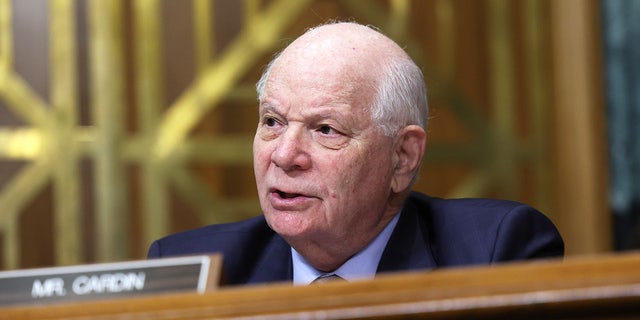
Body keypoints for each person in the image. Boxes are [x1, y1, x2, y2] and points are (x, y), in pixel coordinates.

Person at [147, 22, 564, 285]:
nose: (285, 155)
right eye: (272, 122)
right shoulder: (192, 269)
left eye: (326, 130)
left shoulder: (495, 256)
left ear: (402, 157)